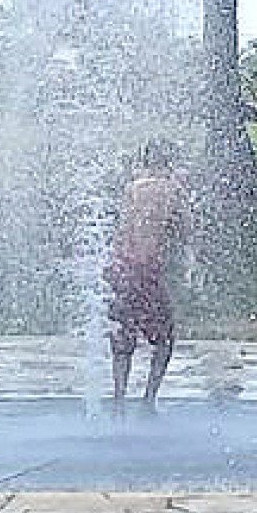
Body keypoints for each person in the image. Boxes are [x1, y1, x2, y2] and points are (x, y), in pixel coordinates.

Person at [106, 140, 191, 403]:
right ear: (168, 163)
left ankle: (119, 399)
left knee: (123, 337)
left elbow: (123, 230)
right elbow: (187, 232)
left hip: (121, 268)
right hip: (149, 270)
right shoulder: (173, 190)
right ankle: (148, 400)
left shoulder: (131, 188)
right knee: (164, 340)